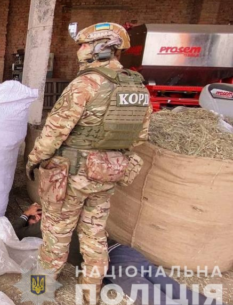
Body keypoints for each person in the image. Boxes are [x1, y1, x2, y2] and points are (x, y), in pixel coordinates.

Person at [25, 22, 153, 303]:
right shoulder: (137, 87)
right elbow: (140, 137)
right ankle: (90, 295)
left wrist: (34, 161)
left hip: (73, 176)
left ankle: (35, 292)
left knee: (55, 237)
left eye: (84, 45)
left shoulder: (85, 83)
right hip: (108, 175)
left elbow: (53, 132)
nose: (80, 50)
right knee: (95, 236)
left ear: (102, 47)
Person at [15, 203, 216, 305]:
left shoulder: (44, 227)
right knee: (173, 289)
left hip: (115, 260)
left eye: (34, 217)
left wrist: (26, 213)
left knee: (152, 298)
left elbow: (16, 231)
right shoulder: (67, 219)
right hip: (124, 253)